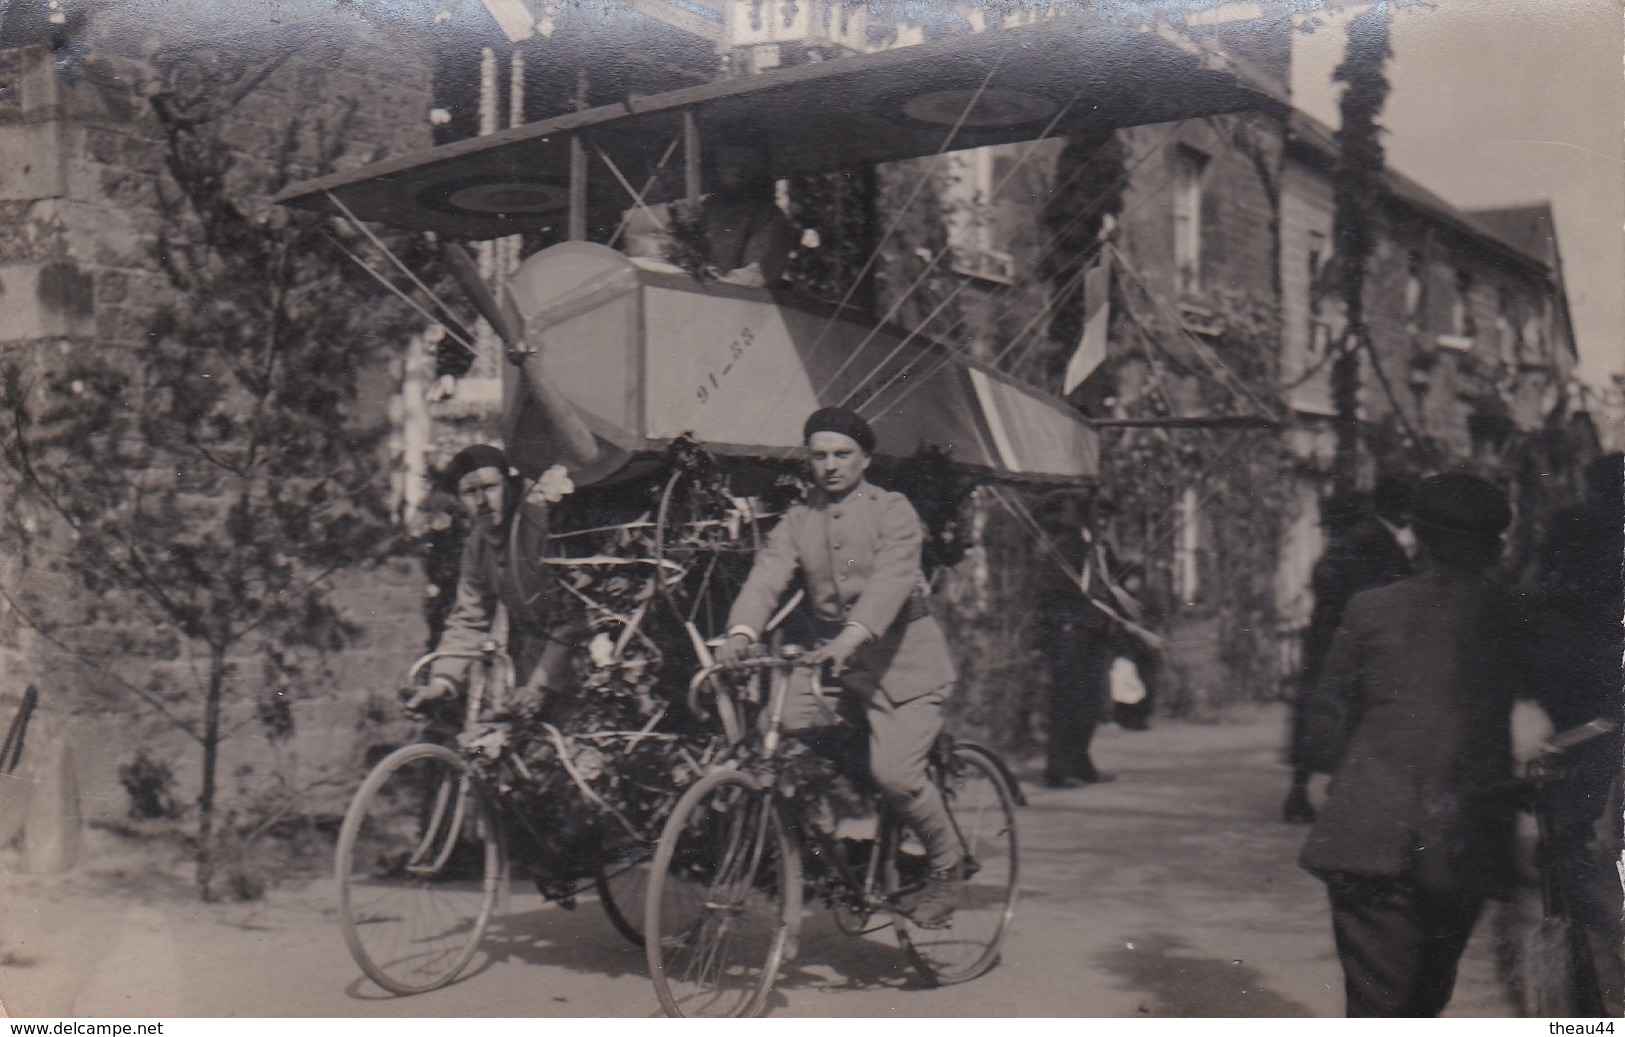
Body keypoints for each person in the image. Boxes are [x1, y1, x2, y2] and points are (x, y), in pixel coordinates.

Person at [1298, 472, 1547, 1017]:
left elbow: (1325, 723)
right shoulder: (1514, 615)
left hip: (1367, 832)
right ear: (1496, 546)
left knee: (1378, 1004)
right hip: (1465, 835)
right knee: (1427, 997)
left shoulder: (1369, 609)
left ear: (1417, 537)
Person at [716, 407, 963, 928]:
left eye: (842, 454)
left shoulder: (892, 510)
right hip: (835, 667)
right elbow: (768, 577)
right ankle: (818, 852)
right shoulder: (800, 519)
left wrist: (852, 636)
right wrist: (740, 632)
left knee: (896, 776)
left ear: (865, 459)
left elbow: (891, 582)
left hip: (905, 667)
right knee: (773, 735)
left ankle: (947, 863)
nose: (830, 466)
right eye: (819, 455)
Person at [1534, 451, 1624, 1015]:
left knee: (1576, 857)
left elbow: (1543, 595)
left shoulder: (1572, 528)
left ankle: (1585, 1004)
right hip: (1600, 713)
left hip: (1582, 719)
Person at [410, 444, 583, 715]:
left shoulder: (538, 524)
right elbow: (469, 618)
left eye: (489, 488)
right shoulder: (477, 547)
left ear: (508, 486)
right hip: (534, 664)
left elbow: (573, 614)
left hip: (578, 657)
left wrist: (539, 685)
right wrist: (442, 682)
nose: (481, 501)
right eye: (469, 492)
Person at [1283, 479, 1414, 823]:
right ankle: (1330, 794)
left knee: (1321, 714)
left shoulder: (1358, 540)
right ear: (1402, 509)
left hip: (1328, 636)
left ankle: (1302, 791)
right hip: (1351, 640)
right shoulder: (1374, 542)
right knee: (1348, 715)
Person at [1032, 492, 1125, 787]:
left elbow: (1111, 588)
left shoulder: (1100, 550)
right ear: (1085, 517)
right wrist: (1064, 625)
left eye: (1107, 518)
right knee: (1067, 702)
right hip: (1070, 635)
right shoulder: (1069, 547)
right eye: (1098, 517)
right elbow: (1051, 592)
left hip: (1095, 635)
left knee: (1089, 703)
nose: (1103, 522)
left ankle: (1081, 762)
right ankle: (1058, 770)